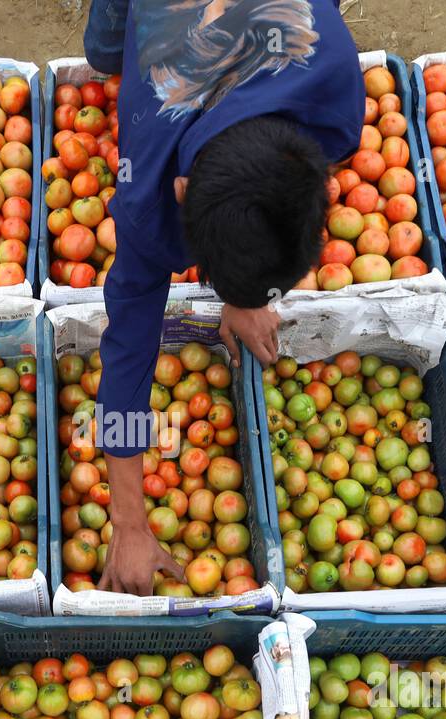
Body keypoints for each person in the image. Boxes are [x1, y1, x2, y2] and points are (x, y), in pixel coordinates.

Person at [85, 0, 365, 595]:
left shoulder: (338, 95)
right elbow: (129, 351)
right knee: (104, 54)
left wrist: (246, 293)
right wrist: (128, 523)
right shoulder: (146, 191)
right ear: (181, 191)